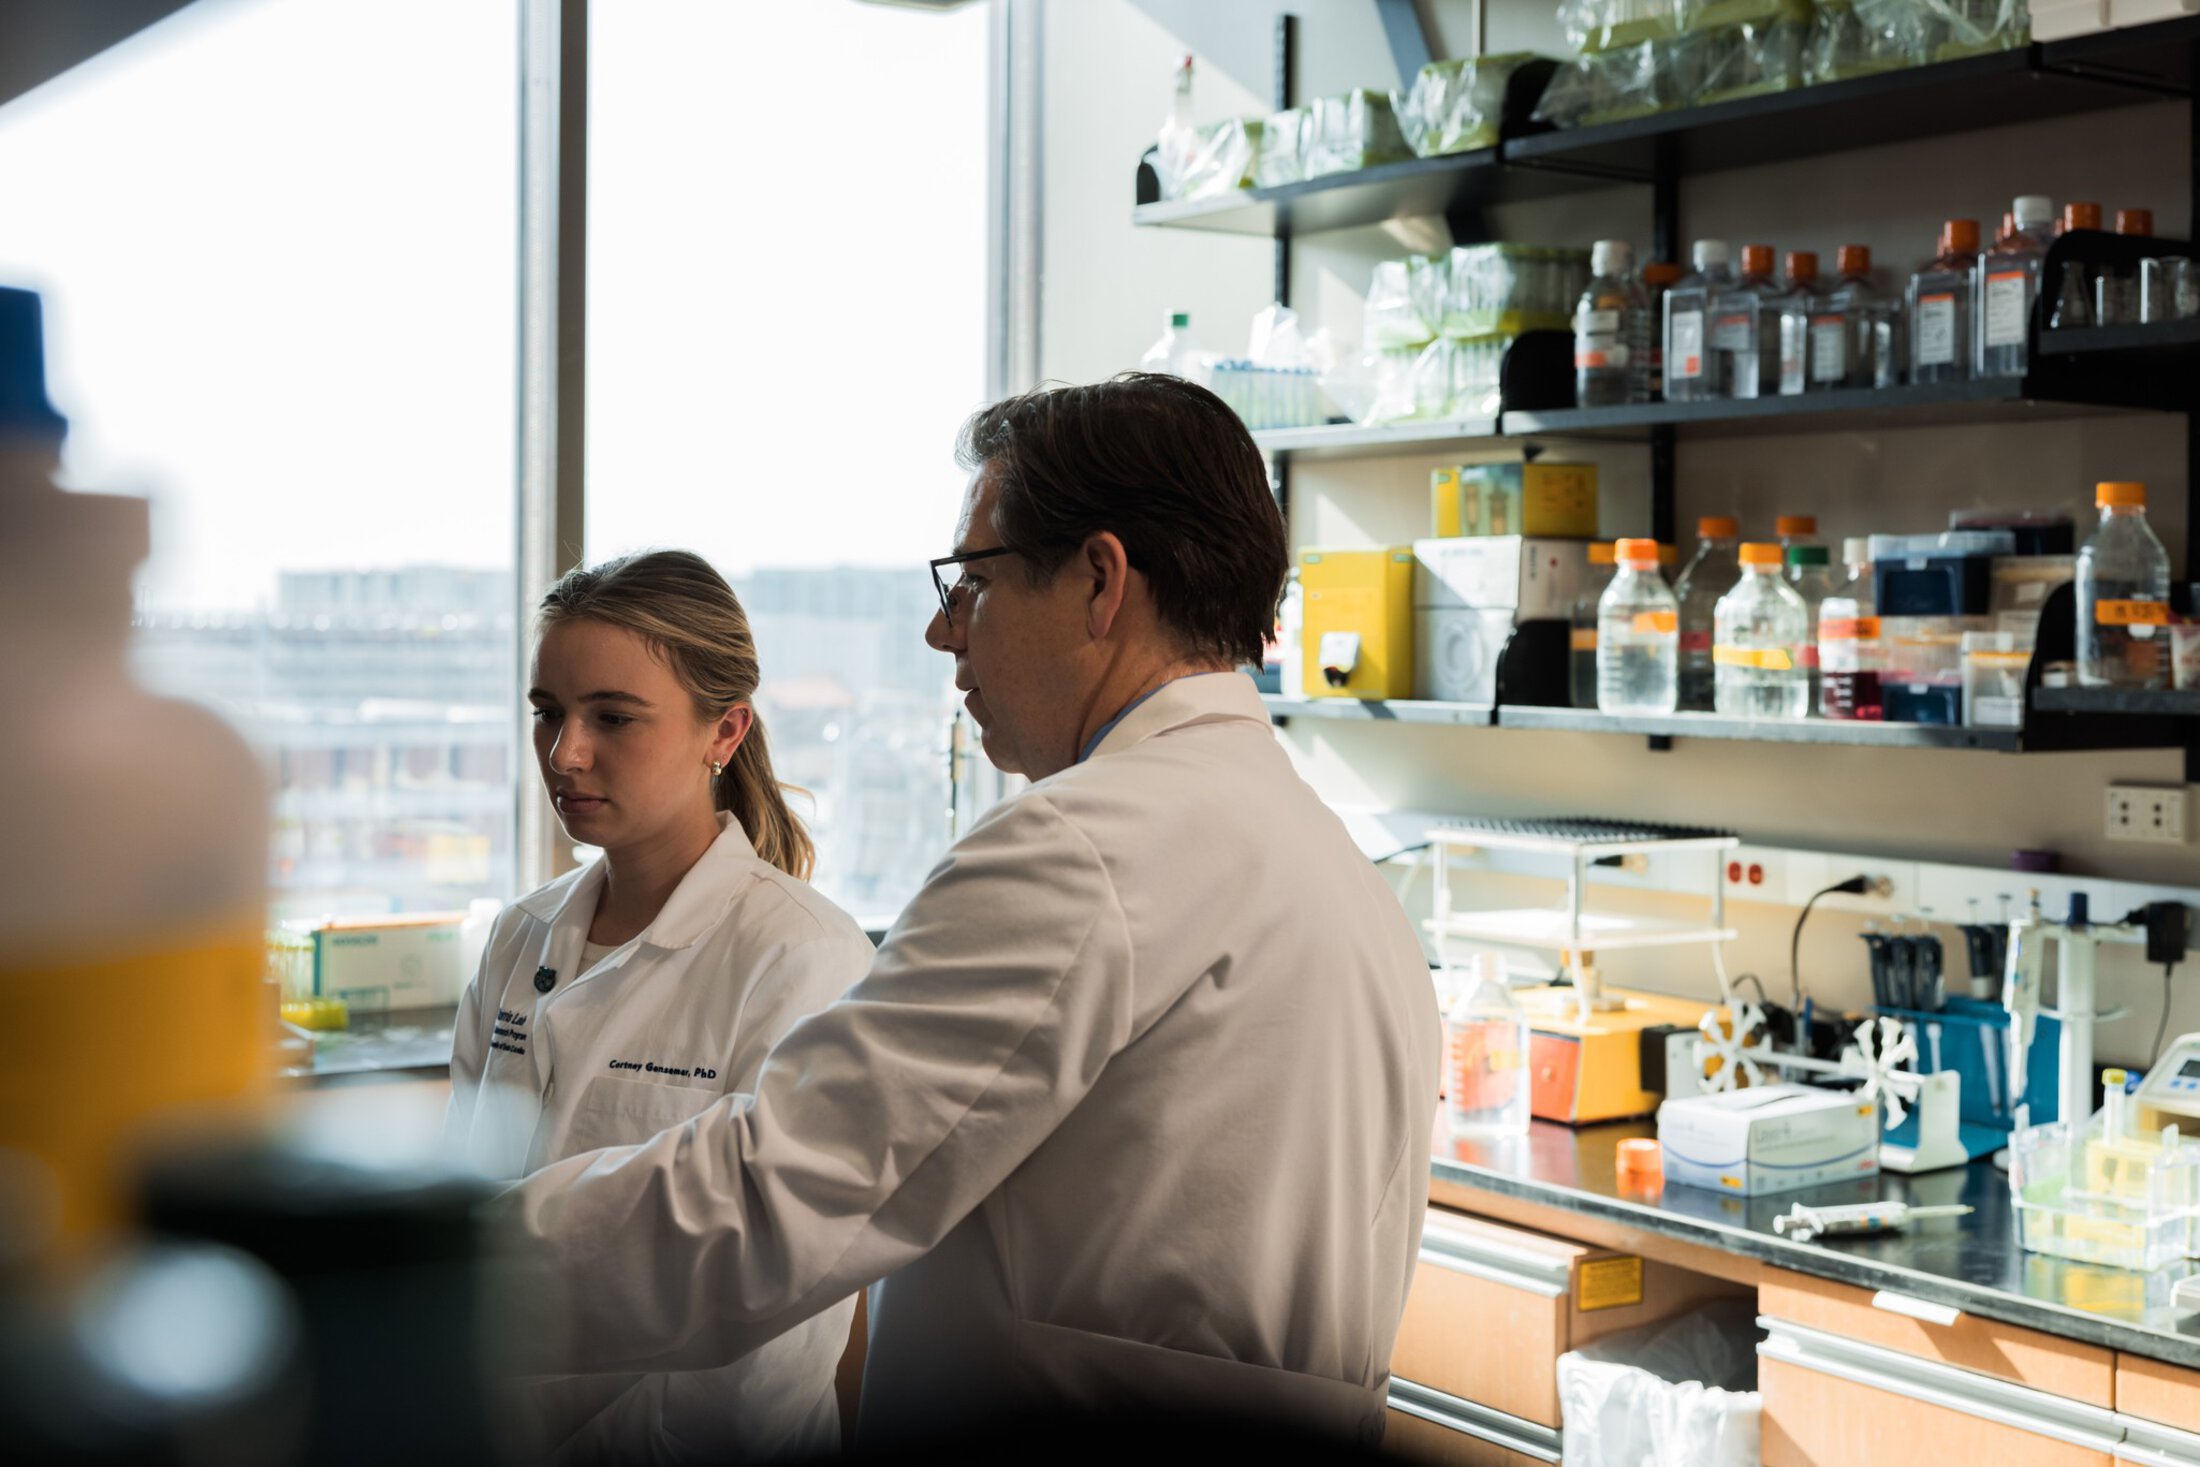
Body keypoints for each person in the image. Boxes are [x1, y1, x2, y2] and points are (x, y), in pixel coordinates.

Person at [490, 375, 1441, 1448]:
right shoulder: (1328, 856)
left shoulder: (1082, 851)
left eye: (971, 583)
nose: (944, 632)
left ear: (1098, 579)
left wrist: (414, 1272)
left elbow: (777, 1195)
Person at [445, 550, 872, 1464]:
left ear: (725, 731)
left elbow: (793, 1282)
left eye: (612, 717)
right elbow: (465, 1205)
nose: (566, 752)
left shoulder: (802, 954)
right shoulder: (520, 937)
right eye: (547, 713)